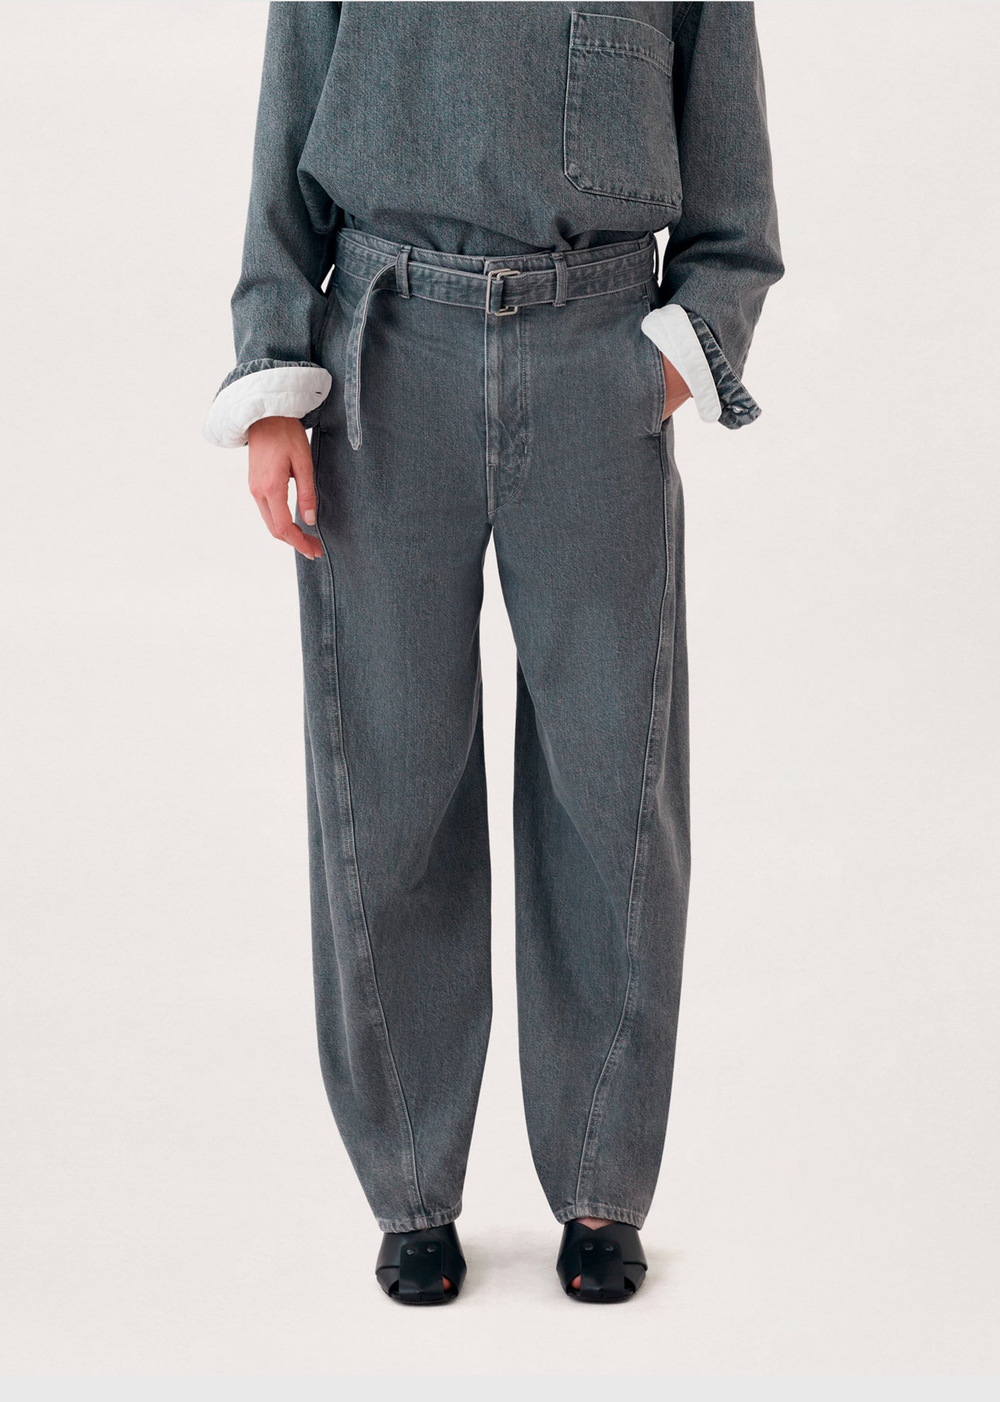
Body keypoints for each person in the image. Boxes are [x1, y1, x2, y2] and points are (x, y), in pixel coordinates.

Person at [204, 1, 782, 1305]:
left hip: (597, 357)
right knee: (388, 776)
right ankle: (412, 1186)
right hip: (384, 357)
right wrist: (272, 374)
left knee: (613, 786)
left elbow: (734, 190)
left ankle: (601, 1183)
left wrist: (673, 356)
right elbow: (286, 132)